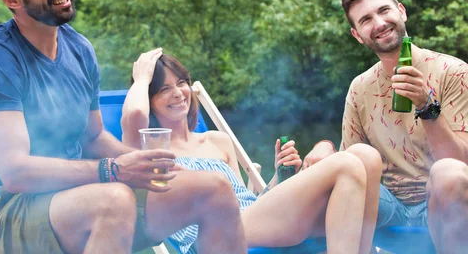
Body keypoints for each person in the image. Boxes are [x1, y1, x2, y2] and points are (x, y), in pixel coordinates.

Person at [0, 0, 248, 254]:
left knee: (214, 189)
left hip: (78, 193)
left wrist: (146, 162)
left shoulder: (78, 48)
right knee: (114, 200)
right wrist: (113, 170)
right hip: (6, 214)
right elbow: (15, 174)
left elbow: (93, 138)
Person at [121, 49, 382, 254]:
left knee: (366, 156)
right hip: (215, 234)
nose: (178, 93)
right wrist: (142, 78)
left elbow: (247, 201)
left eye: (181, 83)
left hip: (255, 222)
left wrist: (279, 176)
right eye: (164, 89)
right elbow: (134, 114)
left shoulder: (218, 141)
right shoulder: (151, 150)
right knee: (346, 165)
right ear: (149, 100)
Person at [303, 0, 468, 253]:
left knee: (447, 173)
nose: (379, 23)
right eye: (366, 19)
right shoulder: (359, 88)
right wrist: (326, 147)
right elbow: (350, 166)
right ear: (357, 35)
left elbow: (461, 167)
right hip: (391, 207)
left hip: (443, 201)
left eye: (384, 11)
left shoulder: (454, 72)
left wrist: (427, 107)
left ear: (401, 11)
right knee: (333, 184)